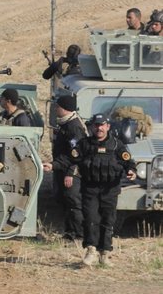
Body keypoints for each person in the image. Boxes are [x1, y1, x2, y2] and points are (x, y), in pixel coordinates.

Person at [66, 114, 136, 267]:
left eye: (102, 125)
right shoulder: (84, 144)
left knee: (108, 221)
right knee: (91, 219)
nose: (99, 128)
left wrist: (131, 171)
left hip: (110, 190)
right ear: (92, 127)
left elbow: (128, 162)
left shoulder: (116, 145)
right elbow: (70, 160)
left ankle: (105, 254)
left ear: (108, 127)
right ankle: (91, 251)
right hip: (90, 189)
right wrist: (55, 166)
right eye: (96, 125)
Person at [42, 95, 88, 240]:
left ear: (65, 108)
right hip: (64, 169)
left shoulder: (74, 127)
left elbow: (76, 155)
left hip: (72, 172)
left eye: (58, 106)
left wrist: (69, 173)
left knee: (74, 201)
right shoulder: (66, 124)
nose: (56, 109)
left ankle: (79, 234)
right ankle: (70, 232)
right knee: (65, 201)